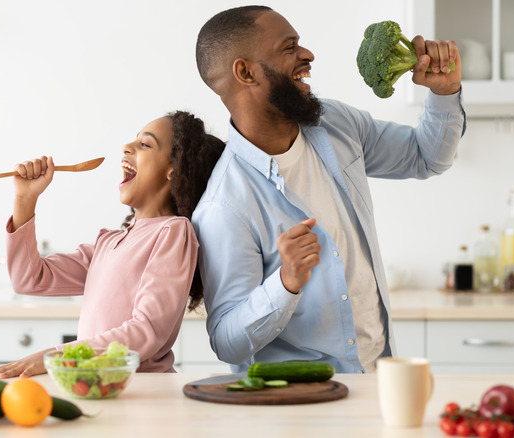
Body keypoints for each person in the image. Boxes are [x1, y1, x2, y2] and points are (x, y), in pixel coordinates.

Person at [192, 6, 465, 373]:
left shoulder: (333, 123)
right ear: (245, 72)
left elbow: (425, 157)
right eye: (289, 48)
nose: (308, 55)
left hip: (376, 377)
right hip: (300, 407)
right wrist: (286, 283)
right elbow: (227, 343)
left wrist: (444, 94)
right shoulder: (225, 205)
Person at [0, 111, 224, 377]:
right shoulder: (107, 243)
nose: (127, 147)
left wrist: (59, 357)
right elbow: (28, 279)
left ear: (174, 168)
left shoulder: (173, 232)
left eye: (145, 144)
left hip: (144, 394)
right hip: (100, 387)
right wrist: (24, 200)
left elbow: (147, 331)